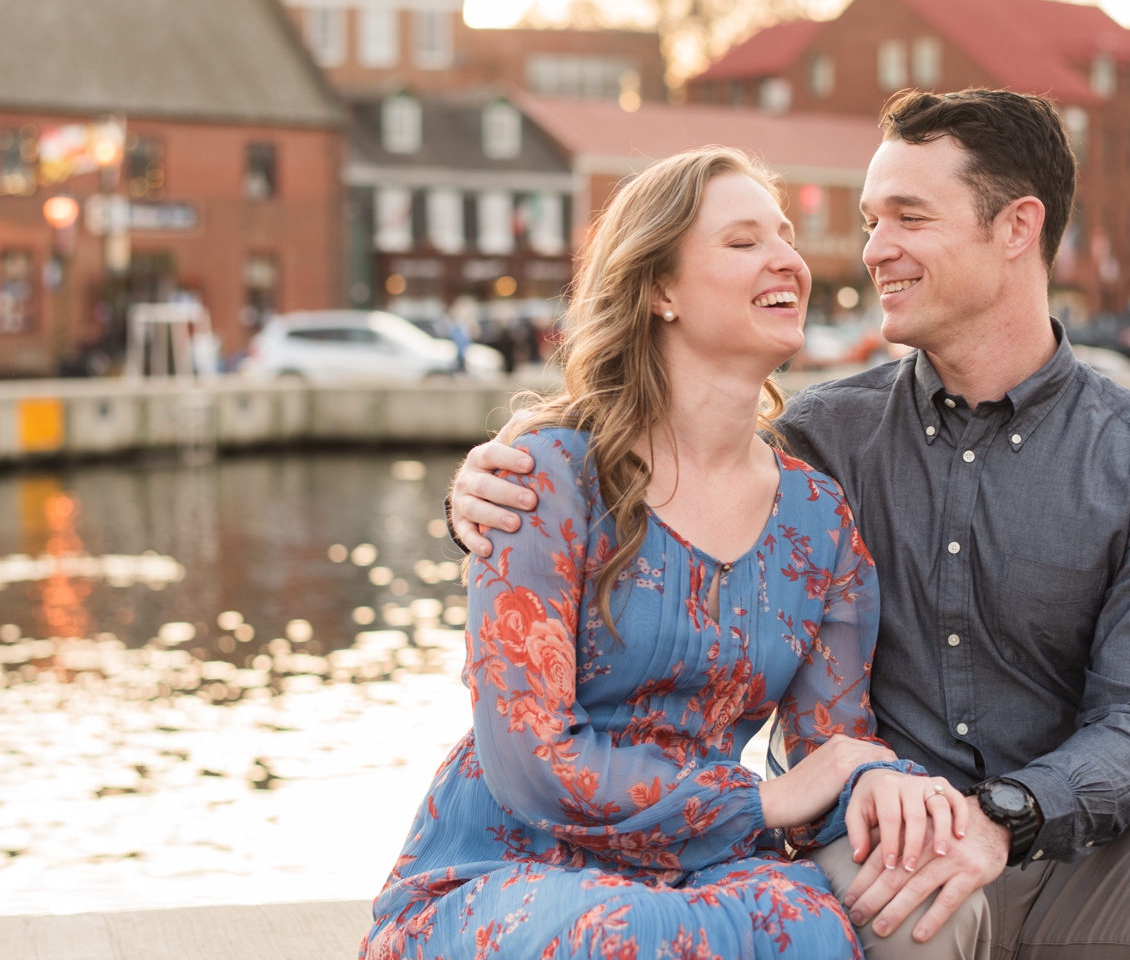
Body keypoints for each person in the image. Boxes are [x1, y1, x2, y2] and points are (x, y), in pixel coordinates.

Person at [448, 90, 1130, 959]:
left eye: (907, 217)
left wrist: (1003, 818)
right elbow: (653, 470)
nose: (872, 251)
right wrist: (476, 504)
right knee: (907, 908)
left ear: (1016, 227)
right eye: (870, 220)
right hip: (883, 832)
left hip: (1067, 836)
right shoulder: (821, 441)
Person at [363, 146, 973, 960]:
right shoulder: (548, 476)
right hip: (507, 864)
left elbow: (830, 752)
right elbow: (530, 762)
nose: (787, 258)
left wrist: (876, 780)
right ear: (661, 289)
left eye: (786, 237)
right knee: (624, 933)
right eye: (743, 240)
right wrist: (764, 800)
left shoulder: (818, 519)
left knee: (812, 927)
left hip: (700, 867)